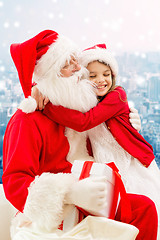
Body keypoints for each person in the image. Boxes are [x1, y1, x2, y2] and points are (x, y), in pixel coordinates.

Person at [2, 30, 158, 240]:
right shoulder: (26, 120)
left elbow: (98, 116)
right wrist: (69, 194)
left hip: (92, 193)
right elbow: (15, 181)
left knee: (145, 208)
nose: (79, 69)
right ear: (52, 74)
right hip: (56, 212)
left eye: (77, 61)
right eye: (68, 64)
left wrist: (128, 121)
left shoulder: (73, 109)